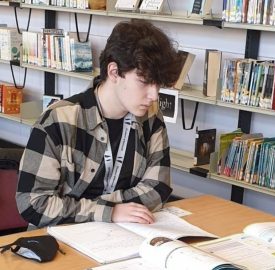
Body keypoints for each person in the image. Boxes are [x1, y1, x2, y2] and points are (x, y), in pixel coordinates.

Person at [16, 19, 183, 229]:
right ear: (114, 72)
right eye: (145, 81)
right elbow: (32, 203)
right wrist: (109, 212)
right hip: (61, 240)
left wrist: (111, 213)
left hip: (121, 235)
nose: (154, 94)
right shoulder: (58, 121)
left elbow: (158, 188)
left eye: (158, 84)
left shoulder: (151, 118)